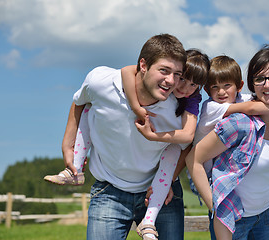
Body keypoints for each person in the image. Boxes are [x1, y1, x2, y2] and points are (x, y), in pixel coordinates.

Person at [56, 34, 188, 240]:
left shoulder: (179, 109)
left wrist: (168, 180)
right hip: (109, 190)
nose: (171, 81)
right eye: (164, 70)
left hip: (157, 196)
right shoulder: (100, 82)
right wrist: (67, 144)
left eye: (177, 74)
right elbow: (79, 100)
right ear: (143, 65)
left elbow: (187, 145)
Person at [186, 45, 269, 240]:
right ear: (252, 84)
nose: (267, 84)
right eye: (260, 79)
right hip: (234, 218)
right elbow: (194, 160)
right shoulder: (236, 121)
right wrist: (215, 207)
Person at [121, 49, 210, 240]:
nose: (185, 88)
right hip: (133, 165)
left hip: (167, 160)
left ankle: (148, 222)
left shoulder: (191, 98)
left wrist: (154, 136)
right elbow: (128, 71)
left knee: (173, 150)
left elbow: (188, 137)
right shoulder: (162, 85)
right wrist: (136, 107)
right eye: (183, 78)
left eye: (193, 84)